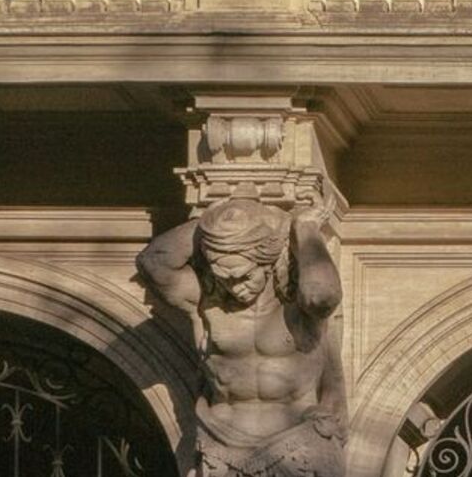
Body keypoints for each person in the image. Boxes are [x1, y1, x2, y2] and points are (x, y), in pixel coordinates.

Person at [138, 198, 347, 477]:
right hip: (223, 447)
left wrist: (304, 229)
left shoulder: (296, 305)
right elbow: (153, 261)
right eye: (225, 279)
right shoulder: (206, 304)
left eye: (244, 276)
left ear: (267, 261)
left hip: (297, 445)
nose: (236, 288)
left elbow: (322, 297)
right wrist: (215, 224)